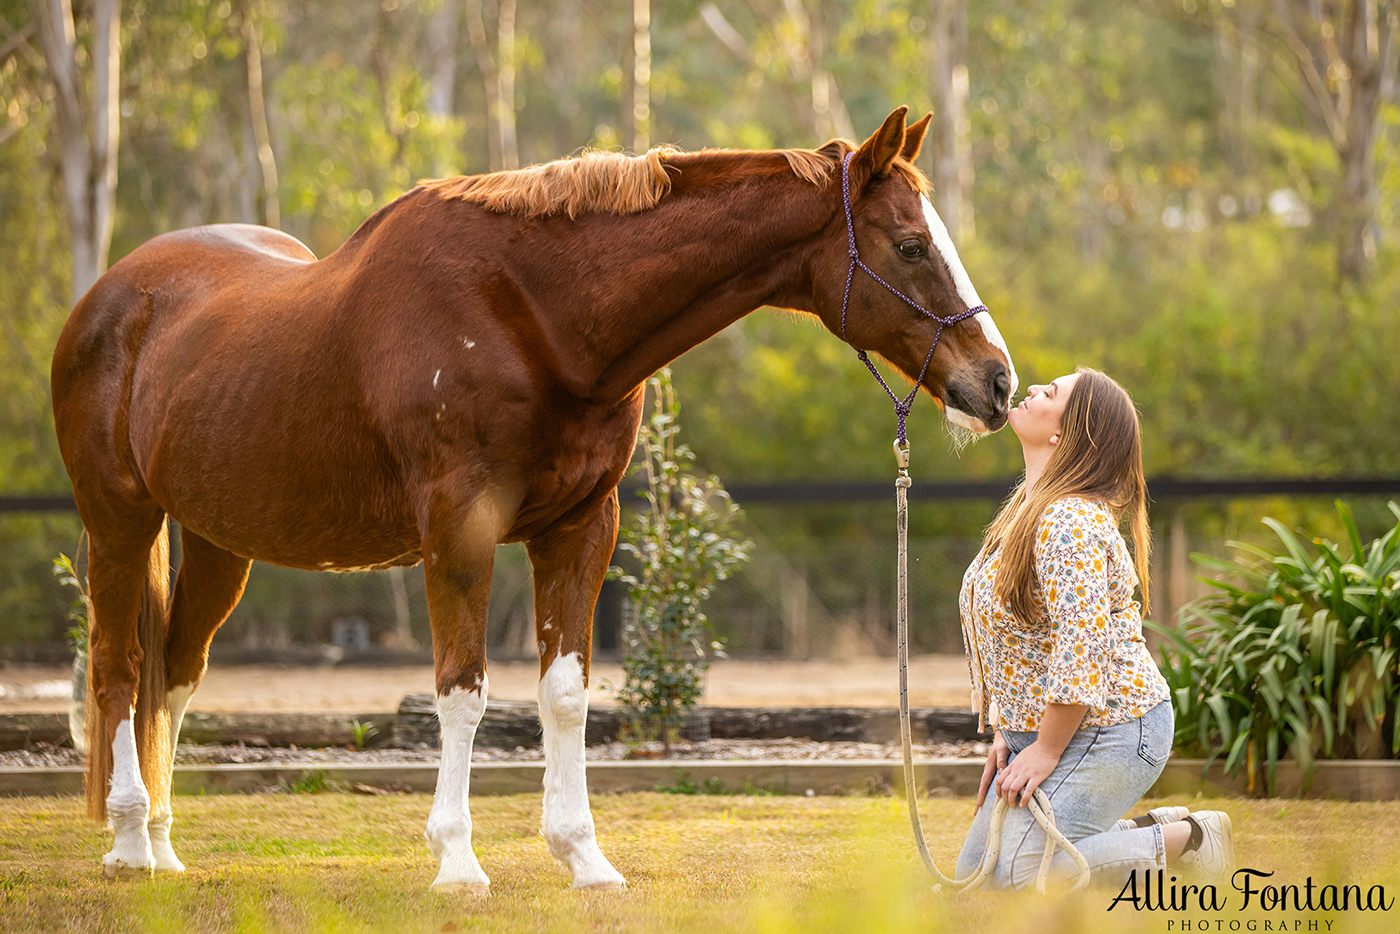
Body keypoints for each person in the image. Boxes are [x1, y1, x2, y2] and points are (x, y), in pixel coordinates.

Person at [954, 366, 1233, 890]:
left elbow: (1081, 645)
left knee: (1014, 875)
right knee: (975, 876)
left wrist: (1045, 749)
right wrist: (1008, 731)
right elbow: (1013, 640)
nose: (1032, 389)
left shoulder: (1068, 520)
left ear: (1066, 432)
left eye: (1050, 392)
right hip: (1055, 729)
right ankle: (1155, 828)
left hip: (1114, 731)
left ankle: (1192, 840)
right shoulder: (1027, 509)